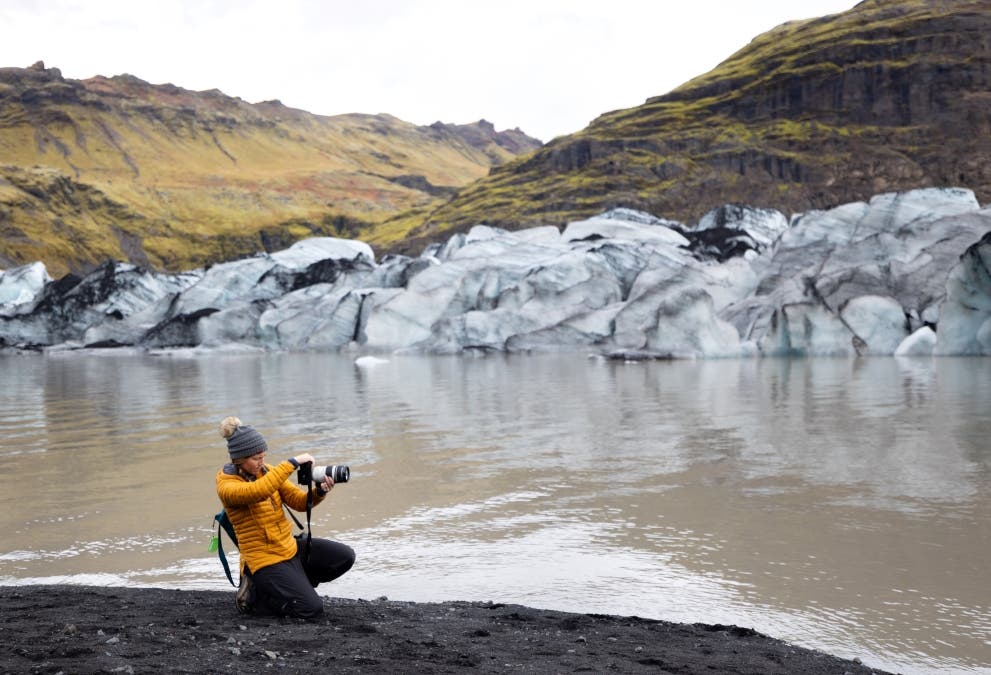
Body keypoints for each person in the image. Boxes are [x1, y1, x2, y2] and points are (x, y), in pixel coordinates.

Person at [216, 415, 355, 619]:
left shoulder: (268, 471)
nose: (261, 462)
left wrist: (319, 492)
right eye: (255, 458)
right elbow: (258, 491)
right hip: (263, 560)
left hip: (287, 547)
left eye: (263, 456)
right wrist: (292, 463)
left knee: (344, 556)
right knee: (311, 609)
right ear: (239, 459)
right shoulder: (227, 485)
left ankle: (293, 585)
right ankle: (259, 596)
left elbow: (299, 501)